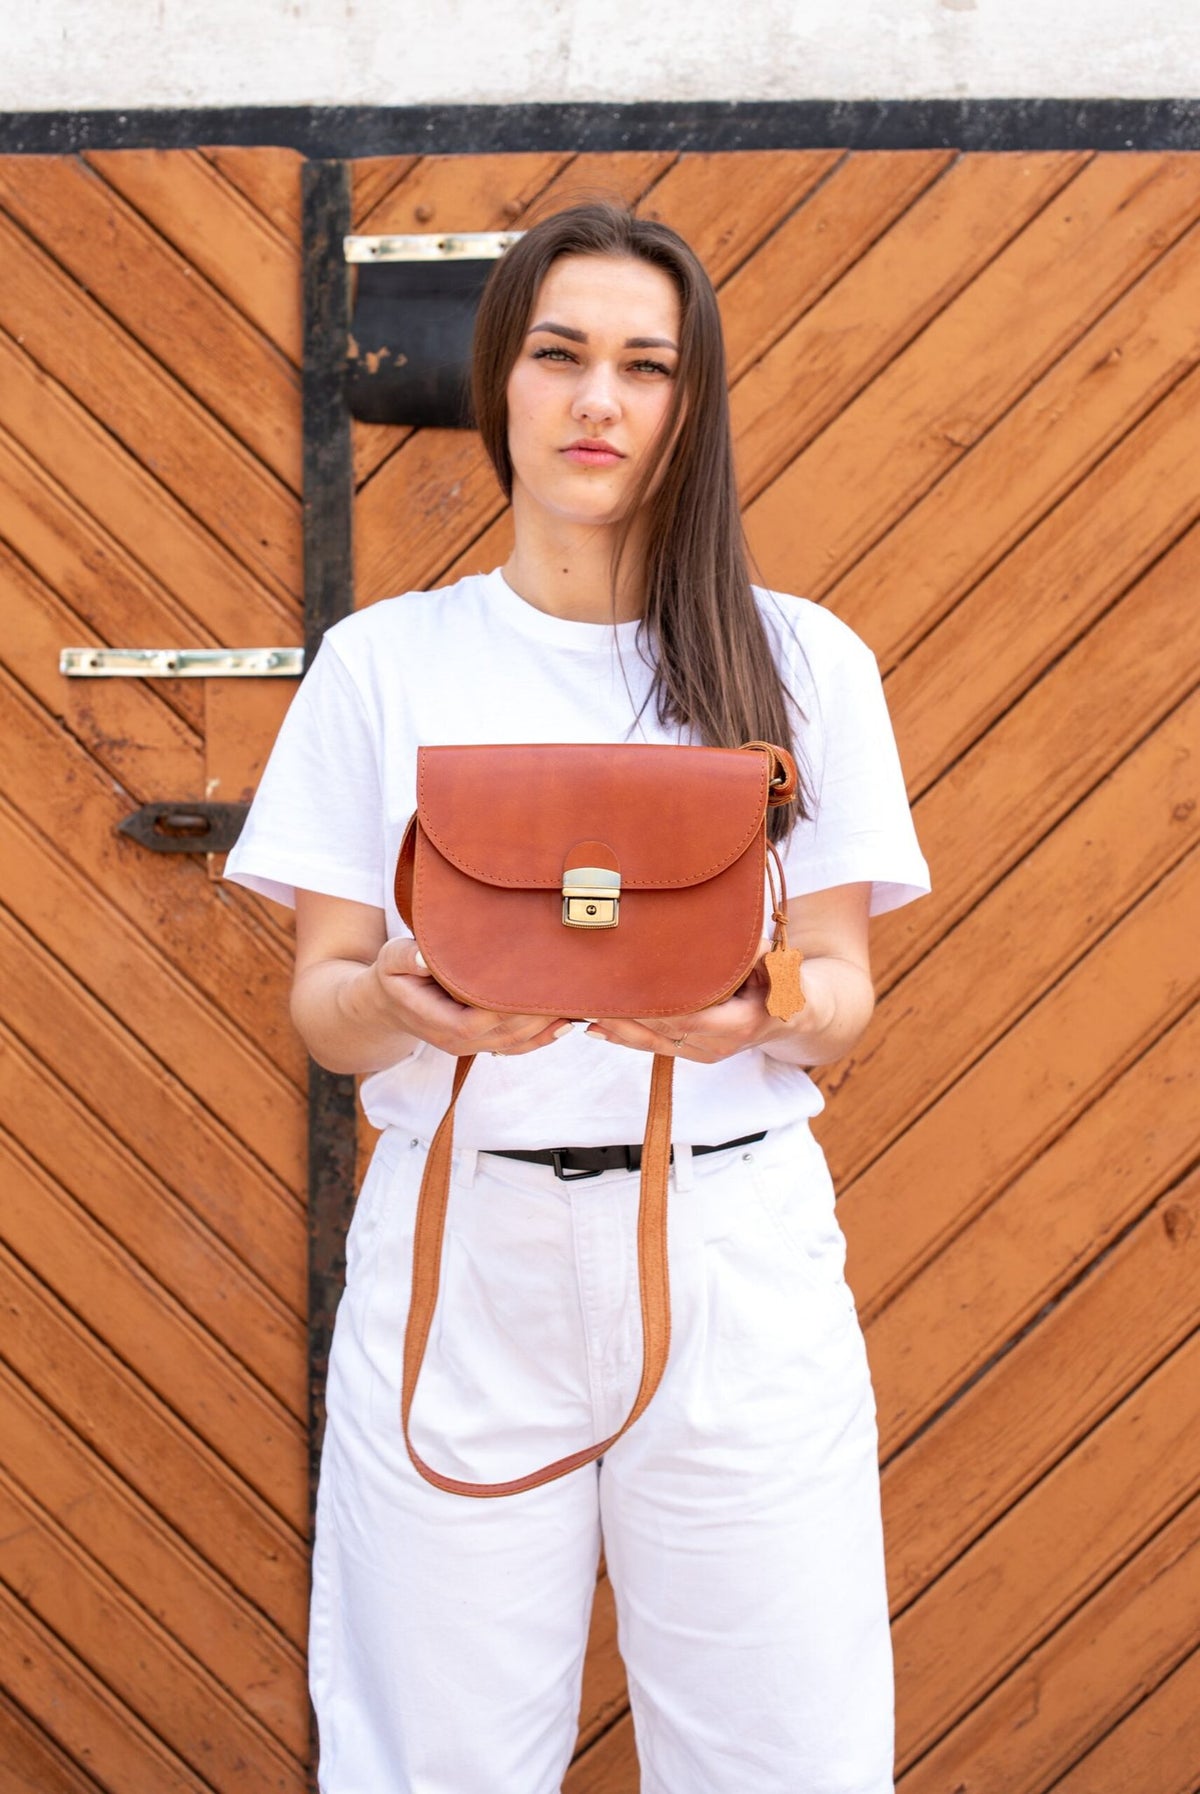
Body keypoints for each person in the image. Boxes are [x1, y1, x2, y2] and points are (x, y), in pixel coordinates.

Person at [225, 200, 930, 1794]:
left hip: (731, 1248)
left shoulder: (799, 662)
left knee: (785, 1757)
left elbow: (845, 991)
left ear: (692, 403)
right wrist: (406, 1001)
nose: (598, 401)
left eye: (643, 365)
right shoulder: (384, 664)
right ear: (503, 386)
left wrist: (767, 1009)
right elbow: (323, 997)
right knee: (433, 1760)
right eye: (560, 357)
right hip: (461, 1242)